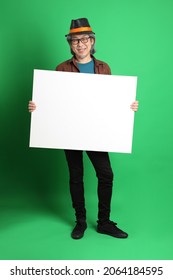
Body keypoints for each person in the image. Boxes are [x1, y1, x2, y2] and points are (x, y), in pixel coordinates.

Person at [29, 18, 139, 239]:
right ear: (70, 44)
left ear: (92, 41)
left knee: (106, 174)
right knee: (76, 176)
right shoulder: (61, 68)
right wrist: (37, 107)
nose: (80, 44)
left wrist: (128, 106)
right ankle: (80, 221)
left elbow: (110, 99)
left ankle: (105, 222)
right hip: (69, 130)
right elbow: (53, 100)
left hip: (97, 131)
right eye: (75, 40)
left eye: (84, 39)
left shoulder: (103, 67)